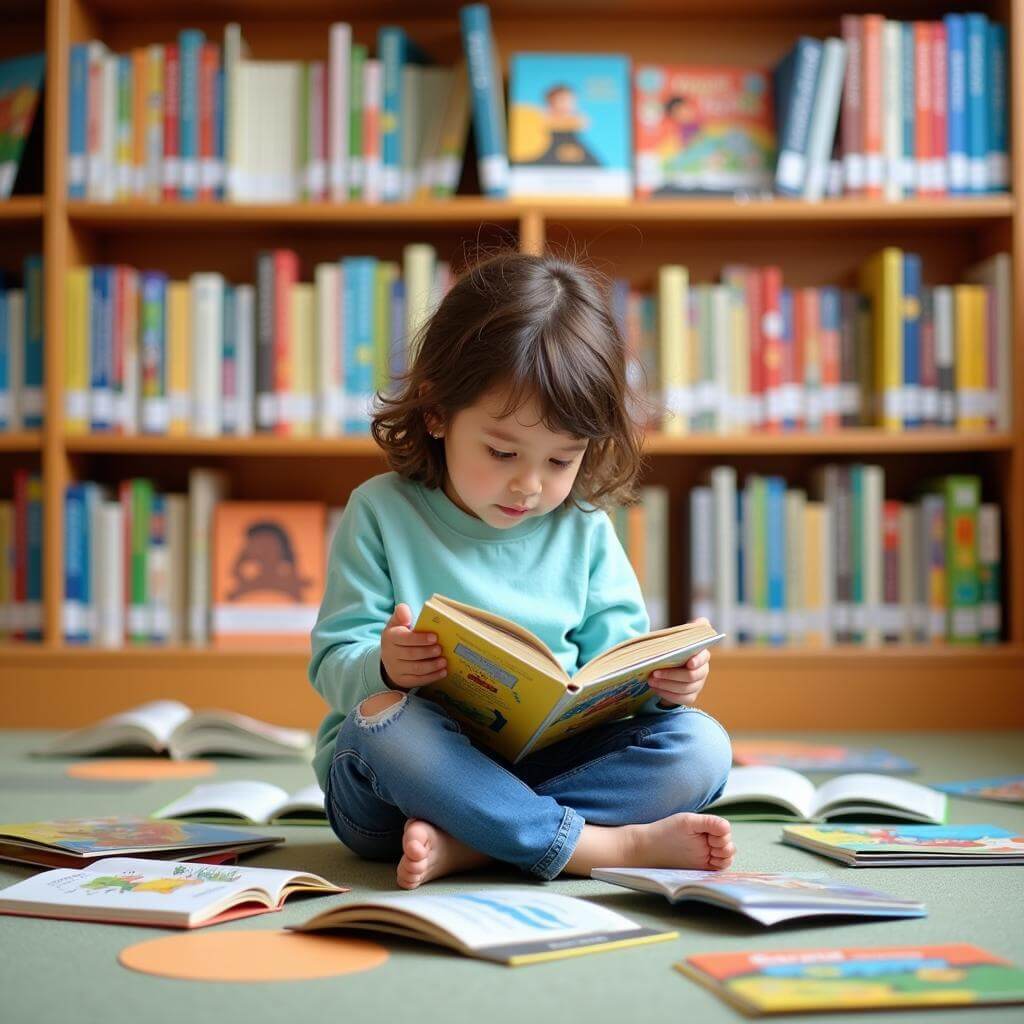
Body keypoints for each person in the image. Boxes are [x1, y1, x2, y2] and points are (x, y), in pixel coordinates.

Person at [309, 251, 734, 890]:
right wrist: (386, 665)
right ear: (435, 411)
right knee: (385, 723)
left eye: (561, 460)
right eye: (502, 451)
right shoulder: (381, 511)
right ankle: (601, 849)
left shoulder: (585, 527)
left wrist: (662, 680)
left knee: (702, 746)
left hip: (541, 771)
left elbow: (618, 668)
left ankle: (476, 844)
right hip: (395, 790)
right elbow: (332, 664)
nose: (529, 484)